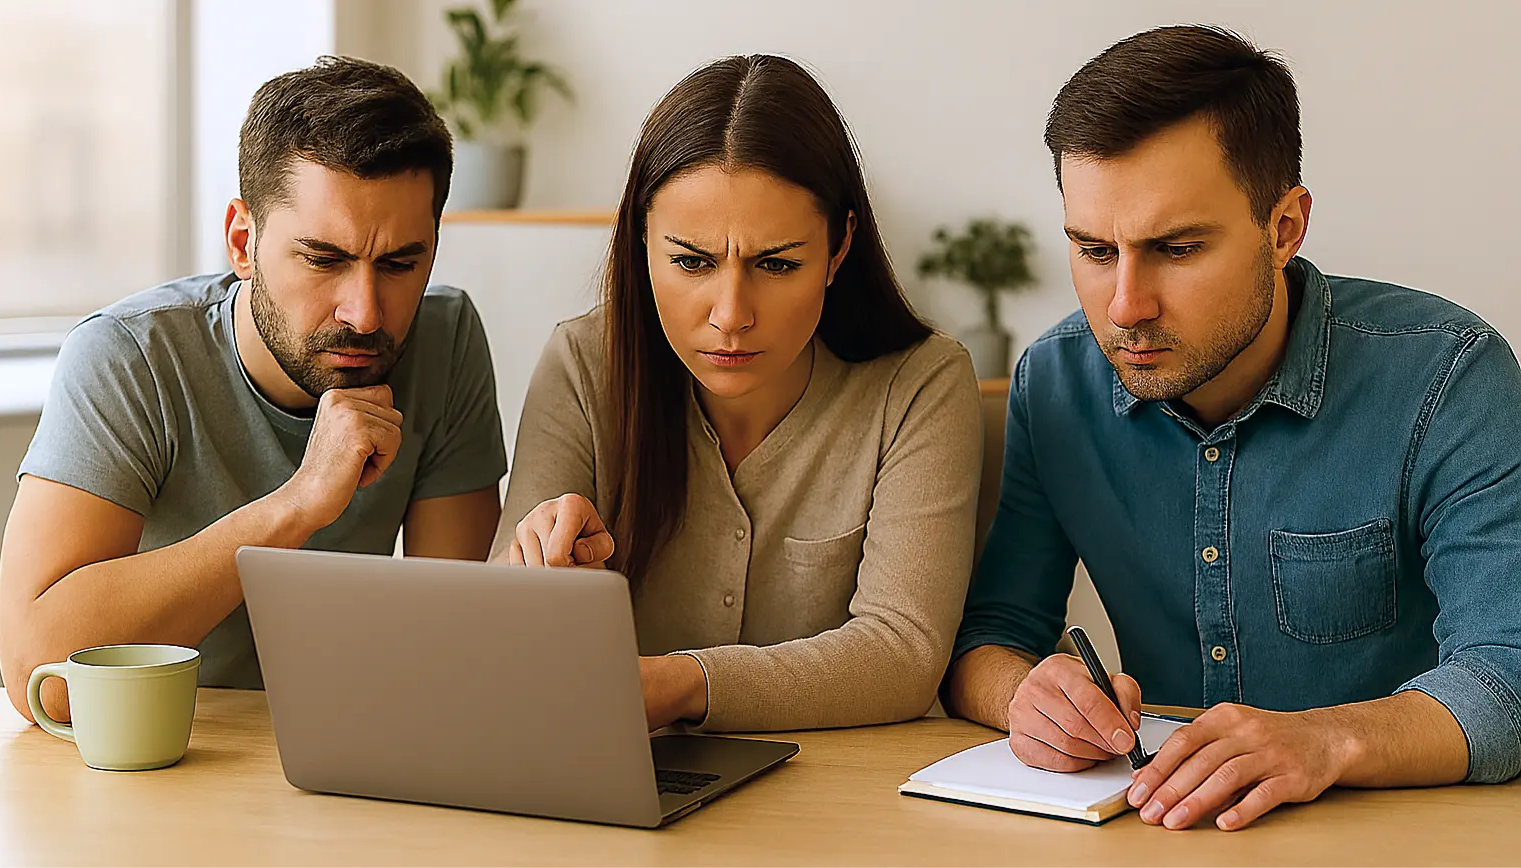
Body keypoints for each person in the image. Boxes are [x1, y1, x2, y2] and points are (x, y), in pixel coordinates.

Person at [946, 25, 1521, 831]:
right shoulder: (1053, 384)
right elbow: (992, 636)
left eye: (1176, 248)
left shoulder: (1451, 376)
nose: (1125, 306)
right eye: (1093, 248)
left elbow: (1508, 672)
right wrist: (1027, 695)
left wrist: (1324, 741)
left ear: (1284, 227)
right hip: (1160, 832)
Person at [0, 57, 506, 723]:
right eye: (324, 260)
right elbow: (42, 677)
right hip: (156, 769)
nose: (366, 313)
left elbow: (458, 647)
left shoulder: (444, 338)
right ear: (243, 241)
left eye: (401, 264)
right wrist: (294, 507)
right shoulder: (129, 357)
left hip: (351, 759)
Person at [498, 55, 982, 733]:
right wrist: (539, 578)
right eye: (691, 262)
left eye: (777, 264)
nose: (731, 314)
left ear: (840, 247)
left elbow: (902, 653)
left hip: (847, 804)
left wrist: (680, 684)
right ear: (640, 240)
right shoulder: (583, 363)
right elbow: (502, 627)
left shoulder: (922, 383)